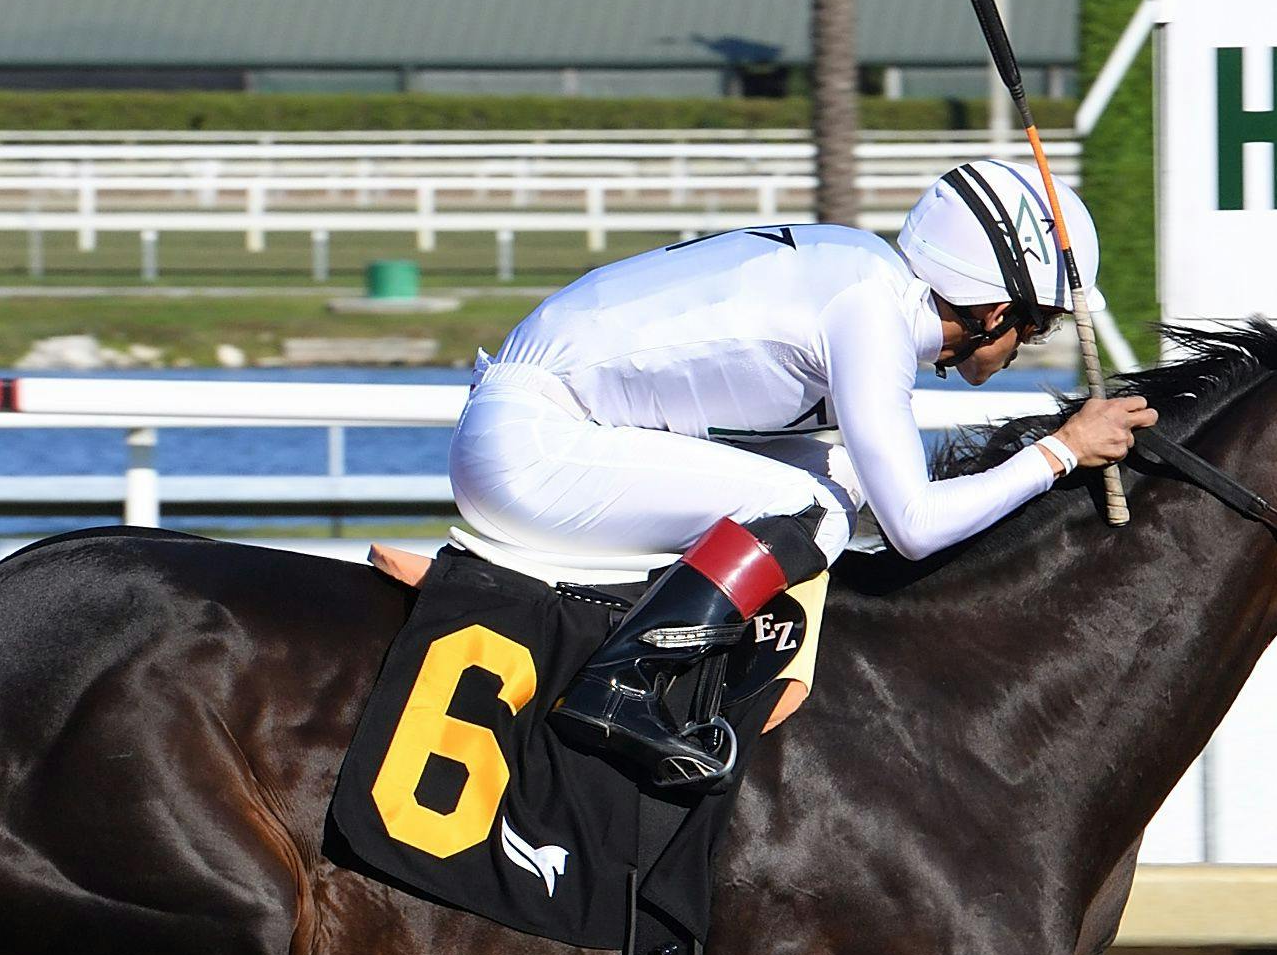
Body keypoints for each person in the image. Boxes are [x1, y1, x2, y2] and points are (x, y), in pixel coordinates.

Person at [449, 162, 1156, 792]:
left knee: (842, 478)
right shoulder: (869, 315)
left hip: (547, 426)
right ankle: (619, 685)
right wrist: (1061, 451)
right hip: (531, 450)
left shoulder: (861, 265)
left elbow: (882, 491)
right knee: (809, 506)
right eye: (1030, 331)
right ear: (997, 311)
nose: (1022, 347)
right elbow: (915, 528)